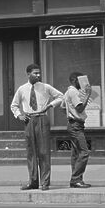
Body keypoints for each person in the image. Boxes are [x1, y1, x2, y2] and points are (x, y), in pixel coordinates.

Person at [11, 63, 64, 191]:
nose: (38, 75)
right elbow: (14, 105)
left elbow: (61, 96)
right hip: (29, 120)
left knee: (44, 151)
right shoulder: (22, 89)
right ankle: (33, 181)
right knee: (31, 152)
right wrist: (19, 115)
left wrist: (50, 105)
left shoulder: (45, 87)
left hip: (42, 118)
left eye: (39, 73)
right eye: (35, 73)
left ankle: (45, 182)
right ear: (28, 74)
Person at [64, 72, 94, 188]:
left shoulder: (68, 92)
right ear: (75, 80)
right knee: (84, 152)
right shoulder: (74, 92)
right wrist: (88, 94)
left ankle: (77, 179)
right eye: (81, 80)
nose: (83, 83)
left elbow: (62, 106)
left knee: (76, 154)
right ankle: (75, 179)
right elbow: (80, 108)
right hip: (76, 125)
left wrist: (70, 113)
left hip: (73, 124)